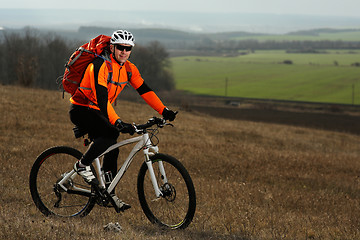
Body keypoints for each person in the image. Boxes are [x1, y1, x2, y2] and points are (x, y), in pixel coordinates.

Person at [69, 29, 177, 211]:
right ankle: (82, 165)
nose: (124, 52)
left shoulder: (129, 69)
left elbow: (145, 90)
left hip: (99, 111)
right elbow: (102, 100)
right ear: (112, 47)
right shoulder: (99, 65)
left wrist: (164, 110)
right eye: (120, 47)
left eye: (128, 48)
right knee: (111, 133)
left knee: (112, 147)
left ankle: (108, 192)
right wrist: (118, 122)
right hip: (82, 109)